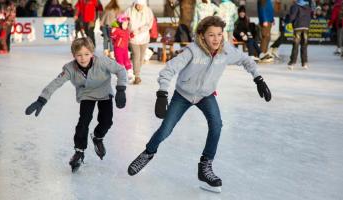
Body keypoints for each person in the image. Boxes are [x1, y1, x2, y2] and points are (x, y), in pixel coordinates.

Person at [127, 16, 272, 193]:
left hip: (206, 95)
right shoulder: (192, 51)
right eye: (211, 35)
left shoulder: (226, 51)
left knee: (217, 125)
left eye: (219, 34)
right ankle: (148, 152)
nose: (216, 39)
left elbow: (246, 60)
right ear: (202, 36)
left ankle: (205, 166)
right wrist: (162, 93)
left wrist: (258, 78)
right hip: (183, 95)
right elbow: (169, 69)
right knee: (166, 129)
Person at [25, 38, 127, 172]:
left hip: (104, 92)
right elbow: (56, 83)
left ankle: (97, 137)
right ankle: (79, 151)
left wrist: (121, 89)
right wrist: (42, 99)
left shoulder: (102, 61)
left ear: (92, 53)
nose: (83, 58)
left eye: (86, 54)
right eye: (79, 55)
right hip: (86, 95)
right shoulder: (69, 68)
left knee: (106, 121)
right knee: (83, 122)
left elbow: (121, 70)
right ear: (74, 55)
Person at [125, 0, 154, 85]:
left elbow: (150, 23)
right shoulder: (129, 10)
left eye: (141, 5)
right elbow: (124, 20)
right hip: (133, 38)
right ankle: (136, 76)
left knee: (141, 58)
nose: (139, 7)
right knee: (136, 55)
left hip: (144, 37)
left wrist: (140, 30)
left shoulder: (148, 11)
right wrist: (127, 29)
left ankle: (136, 71)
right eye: (137, 5)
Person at [287, 0, 312, 70]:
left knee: (296, 45)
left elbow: (292, 16)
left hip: (298, 27)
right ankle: (304, 63)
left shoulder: (295, 6)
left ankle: (292, 62)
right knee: (304, 45)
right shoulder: (308, 6)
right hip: (306, 27)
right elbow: (310, 17)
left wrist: (290, 21)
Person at [111, 14, 135, 83]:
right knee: (120, 62)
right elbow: (113, 36)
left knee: (127, 60)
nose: (126, 25)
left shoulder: (126, 30)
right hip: (118, 48)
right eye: (124, 24)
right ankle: (120, 75)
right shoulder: (117, 30)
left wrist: (132, 35)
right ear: (120, 23)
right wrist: (114, 31)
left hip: (125, 48)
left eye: (127, 24)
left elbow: (128, 37)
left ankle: (130, 73)